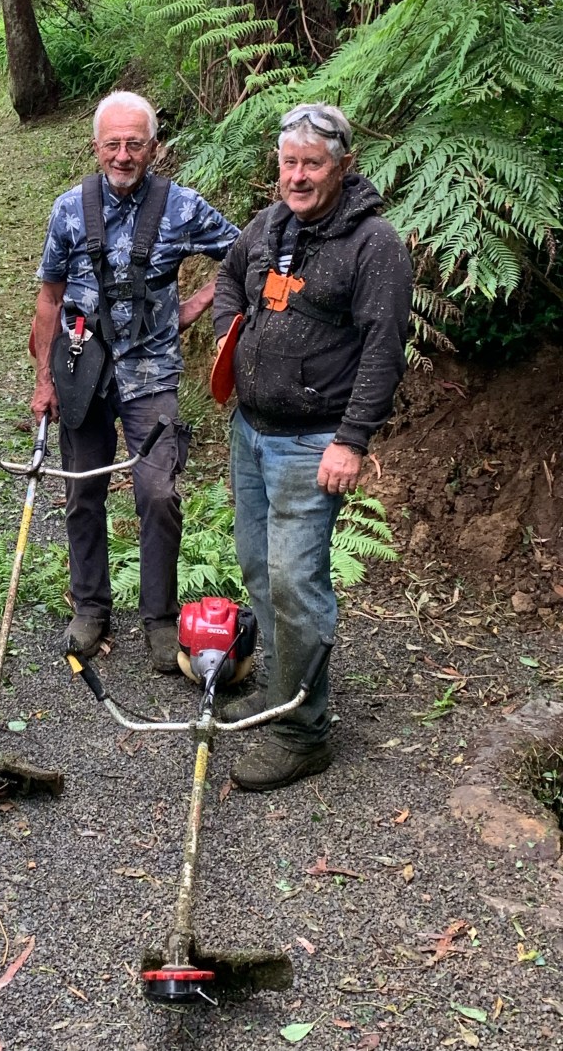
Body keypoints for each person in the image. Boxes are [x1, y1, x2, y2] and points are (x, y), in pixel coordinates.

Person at [213, 102, 412, 791]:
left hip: (314, 443)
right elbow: (229, 277)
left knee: (298, 581)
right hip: (252, 433)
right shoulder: (269, 226)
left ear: (344, 166)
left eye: (312, 164)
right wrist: (225, 332)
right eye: (288, 162)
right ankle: (279, 689)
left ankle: (304, 733)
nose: (297, 176)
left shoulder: (375, 244)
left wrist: (351, 441)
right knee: (259, 570)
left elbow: (384, 351)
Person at [31, 90, 240, 673]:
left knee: (159, 494)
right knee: (82, 492)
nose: (123, 155)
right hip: (81, 369)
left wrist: (195, 305)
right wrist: (44, 378)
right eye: (113, 144)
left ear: (155, 147)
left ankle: (159, 618)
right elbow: (49, 296)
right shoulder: (70, 209)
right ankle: (91, 608)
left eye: (135, 143)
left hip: (152, 374)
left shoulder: (182, 207)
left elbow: (245, 254)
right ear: (96, 146)